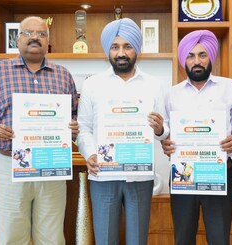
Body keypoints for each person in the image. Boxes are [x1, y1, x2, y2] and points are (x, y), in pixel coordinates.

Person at [0, 16, 79, 245]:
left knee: (52, 238)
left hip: (51, 165)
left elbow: (75, 114)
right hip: (9, 165)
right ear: (17, 39)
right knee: (11, 238)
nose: (35, 37)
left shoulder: (63, 75)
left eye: (41, 34)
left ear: (48, 41)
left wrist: (74, 126)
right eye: (28, 33)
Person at [77, 18, 169, 245]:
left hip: (140, 175)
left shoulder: (154, 84)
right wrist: (90, 154)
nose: (121, 53)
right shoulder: (92, 84)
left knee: (138, 239)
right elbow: (83, 128)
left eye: (127, 46)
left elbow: (165, 130)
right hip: (104, 174)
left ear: (136, 49)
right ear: (108, 50)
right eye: (115, 47)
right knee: (105, 239)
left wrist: (160, 129)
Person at [161, 30, 232, 245]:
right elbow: (164, 132)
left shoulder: (230, 87)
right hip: (183, 174)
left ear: (211, 57)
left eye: (202, 55)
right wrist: (166, 143)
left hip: (218, 172)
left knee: (219, 238)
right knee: (183, 237)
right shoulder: (171, 93)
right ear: (184, 60)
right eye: (190, 56)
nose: (197, 61)